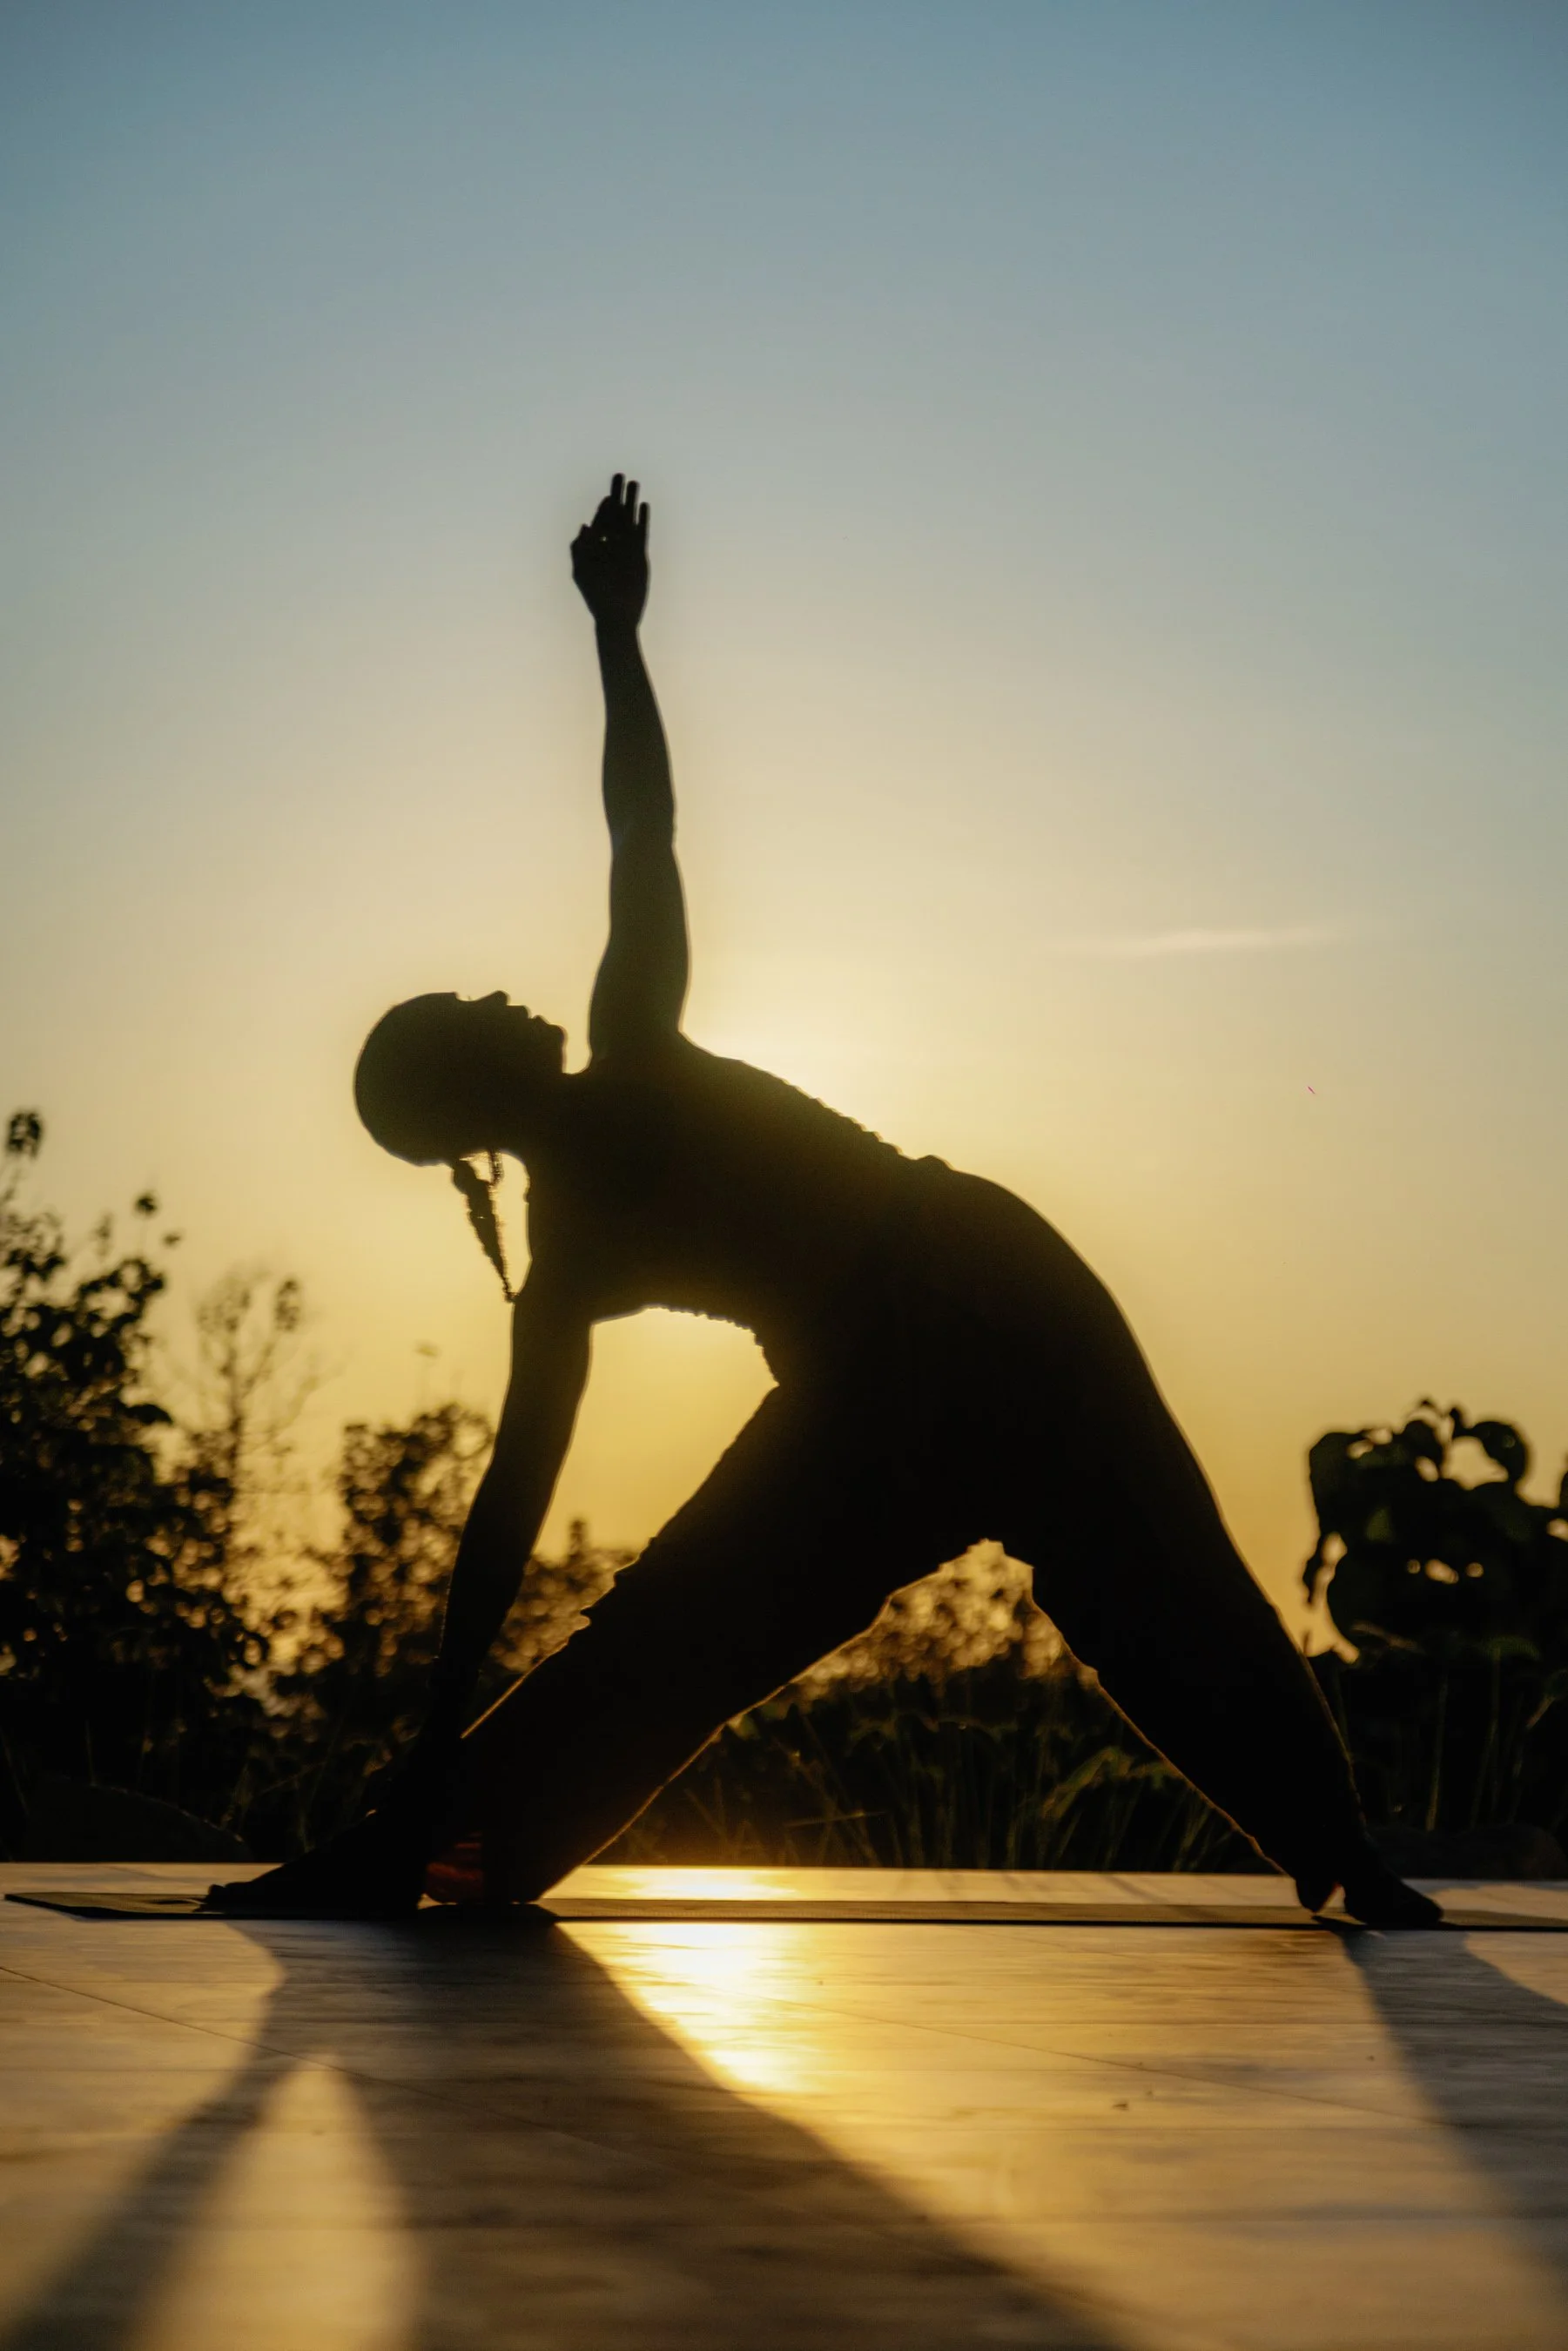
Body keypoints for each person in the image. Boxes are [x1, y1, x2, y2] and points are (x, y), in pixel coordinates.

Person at [213, 475, 1437, 1928]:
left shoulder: (574, 1236)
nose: (496, 988)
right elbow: (642, 828)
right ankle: (429, 1838)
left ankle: (430, 1835)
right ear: (466, 1086)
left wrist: (425, 1741)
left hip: (947, 1314)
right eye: (465, 1009)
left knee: (1119, 1582)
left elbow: (508, 1512)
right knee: (1104, 1583)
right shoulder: (625, 1072)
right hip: (936, 1326)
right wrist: (617, 633)